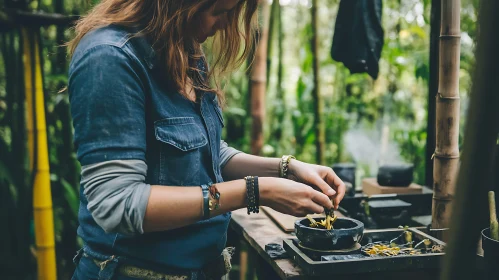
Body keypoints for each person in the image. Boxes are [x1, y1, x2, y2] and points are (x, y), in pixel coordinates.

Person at [67, 0, 346, 279]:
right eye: (219, 12)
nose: (225, 24)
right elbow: (117, 203)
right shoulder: (110, 58)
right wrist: (255, 192)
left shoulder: (184, 51)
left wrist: (287, 168)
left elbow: (209, 155)